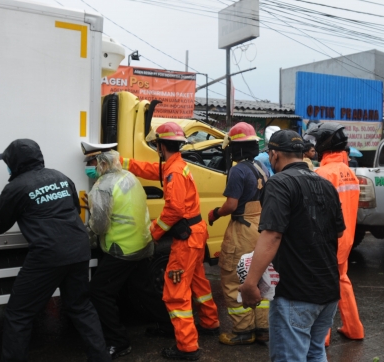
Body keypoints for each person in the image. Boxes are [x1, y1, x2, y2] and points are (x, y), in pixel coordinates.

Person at [0, 139, 110, 362]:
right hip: (79, 248)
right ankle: (101, 358)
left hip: (48, 255)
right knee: (81, 307)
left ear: (15, 163)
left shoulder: (16, 188)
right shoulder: (60, 177)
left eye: (7, 161)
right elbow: (75, 209)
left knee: (19, 314)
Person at [239, 129, 345, 362]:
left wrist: (250, 283)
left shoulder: (279, 183)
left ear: (274, 155)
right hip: (327, 290)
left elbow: (272, 236)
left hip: (296, 293)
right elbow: (338, 231)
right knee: (315, 352)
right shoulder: (325, 184)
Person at [120, 122, 220, 360]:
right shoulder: (177, 166)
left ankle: (187, 347)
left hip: (186, 240)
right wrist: (122, 163)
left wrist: (153, 233)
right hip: (196, 234)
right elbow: (150, 169)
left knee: (175, 292)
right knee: (198, 282)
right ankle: (209, 322)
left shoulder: (174, 171)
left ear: (161, 145)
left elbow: (173, 210)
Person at [81, 143, 159, 359]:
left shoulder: (102, 187)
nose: (88, 167)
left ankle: (119, 342)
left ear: (102, 162)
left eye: (90, 162)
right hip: (143, 244)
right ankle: (169, 326)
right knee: (145, 289)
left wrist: (86, 239)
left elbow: (99, 226)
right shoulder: (129, 177)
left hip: (121, 249)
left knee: (99, 292)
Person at [207, 122, 269, 346]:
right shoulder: (262, 167)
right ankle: (263, 329)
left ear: (235, 148)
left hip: (241, 230)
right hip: (260, 228)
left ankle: (243, 331)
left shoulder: (238, 170)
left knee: (235, 277)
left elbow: (232, 205)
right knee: (259, 277)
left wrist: (215, 213)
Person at [305, 123, 365, 344]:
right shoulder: (349, 172)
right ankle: (353, 328)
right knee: (341, 280)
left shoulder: (322, 173)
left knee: (323, 286)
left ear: (323, 144)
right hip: (346, 239)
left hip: (327, 241)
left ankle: (323, 336)